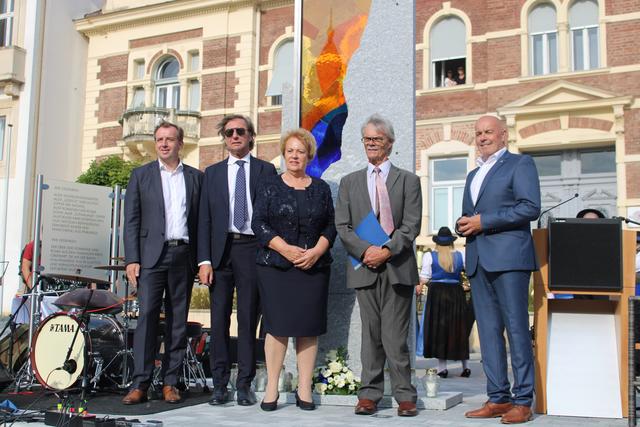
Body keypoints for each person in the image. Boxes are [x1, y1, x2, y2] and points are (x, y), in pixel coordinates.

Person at [335, 114, 422, 417]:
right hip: (364, 266)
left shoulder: (408, 180)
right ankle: (369, 395)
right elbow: (343, 226)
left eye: (377, 139)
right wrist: (368, 251)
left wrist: (386, 250)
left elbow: (411, 225)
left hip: (397, 266)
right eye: (367, 139)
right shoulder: (349, 182)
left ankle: (405, 396)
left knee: (395, 337)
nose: (371, 144)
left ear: (390, 143)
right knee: (370, 334)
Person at [456, 115, 540, 424]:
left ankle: (523, 400)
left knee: (517, 330)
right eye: (478, 133)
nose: (482, 137)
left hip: (510, 260)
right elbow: (471, 214)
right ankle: (498, 398)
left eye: (488, 132)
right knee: (488, 333)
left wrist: (483, 222)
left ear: (503, 135)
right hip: (478, 260)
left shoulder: (520, 165)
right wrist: (464, 223)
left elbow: (530, 207)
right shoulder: (472, 174)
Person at [252, 128, 336, 411]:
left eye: (300, 151)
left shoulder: (322, 188)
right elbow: (259, 223)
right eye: (290, 150)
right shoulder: (269, 185)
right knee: (277, 328)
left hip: (313, 268)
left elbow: (330, 226)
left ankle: (304, 389)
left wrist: (316, 251)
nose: (295, 155)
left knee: (307, 328)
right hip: (276, 267)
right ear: (283, 153)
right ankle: (272, 388)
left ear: (309, 155)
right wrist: (286, 249)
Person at [197, 114, 277, 406]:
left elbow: (271, 215)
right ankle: (219, 384)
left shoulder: (266, 170)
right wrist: (204, 260)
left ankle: (244, 384)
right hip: (220, 253)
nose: (234, 136)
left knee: (247, 318)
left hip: (252, 249)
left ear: (251, 136)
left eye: (240, 131)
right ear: (224, 137)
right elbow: (204, 219)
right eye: (229, 132)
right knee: (219, 321)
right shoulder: (212, 173)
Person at [123, 122, 203, 405]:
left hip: (183, 256)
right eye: (160, 139)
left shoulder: (195, 178)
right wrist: (132, 258)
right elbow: (131, 221)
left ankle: (171, 382)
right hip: (150, 258)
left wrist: (202, 260)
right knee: (146, 319)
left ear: (180, 143)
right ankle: (140, 383)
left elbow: (201, 223)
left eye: (170, 139)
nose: (164, 144)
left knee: (177, 321)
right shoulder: (140, 175)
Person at [416, 227, 470, 378]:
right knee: (458, 329)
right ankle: (465, 367)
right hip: (456, 294)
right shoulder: (460, 255)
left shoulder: (429, 256)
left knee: (440, 330)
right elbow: (469, 271)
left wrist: (420, 285)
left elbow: (425, 277)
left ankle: (442, 368)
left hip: (437, 294)